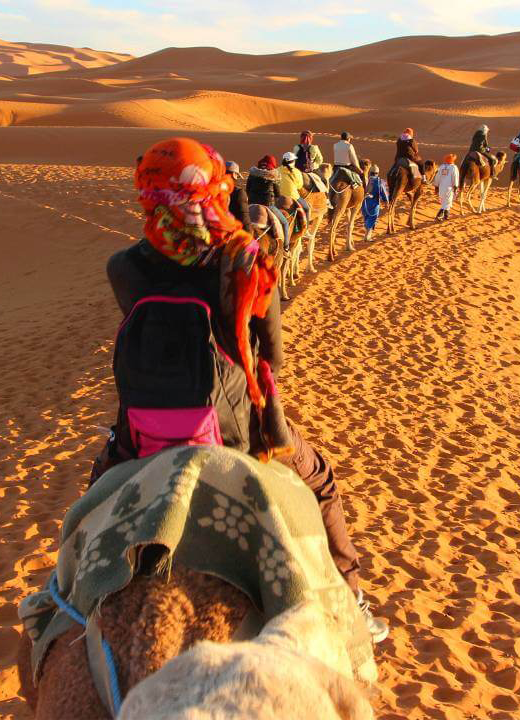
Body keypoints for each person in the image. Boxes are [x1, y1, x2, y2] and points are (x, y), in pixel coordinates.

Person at [96, 137, 387, 639]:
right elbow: (273, 357)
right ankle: (352, 600)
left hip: (142, 430)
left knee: (95, 501)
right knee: (320, 482)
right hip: (238, 428)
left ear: (148, 191)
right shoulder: (244, 258)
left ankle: (64, 604)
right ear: (213, 188)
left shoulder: (122, 267)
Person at [246, 154, 291, 251]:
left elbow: (247, 189)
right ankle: (286, 248)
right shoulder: (274, 175)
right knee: (285, 223)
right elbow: (277, 194)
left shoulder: (252, 174)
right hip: (268, 205)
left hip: (251, 203)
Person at [278, 151, 311, 227]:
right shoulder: (296, 172)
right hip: (293, 197)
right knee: (307, 209)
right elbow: (299, 186)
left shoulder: (277, 170)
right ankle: (306, 228)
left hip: (279, 196)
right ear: (293, 161)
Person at [361, 165, 388, 241]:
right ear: (377, 173)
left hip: (364, 204)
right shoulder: (379, 181)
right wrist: (386, 202)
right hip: (374, 203)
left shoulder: (365, 180)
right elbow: (383, 192)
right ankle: (367, 237)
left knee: (366, 218)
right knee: (372, 219)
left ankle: (367, 235)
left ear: (370, 172)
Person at [225, 160, 252, 233]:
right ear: (234, 175)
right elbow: (244, 218)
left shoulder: (214, 189)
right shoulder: (239, 193)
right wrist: (250, 235)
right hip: (232, 232)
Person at [433, 153, 459, 221]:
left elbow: (437, 177)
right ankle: (439, 215)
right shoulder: (454, 167)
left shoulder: (441, 166)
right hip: (449, 187)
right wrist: (456, 186)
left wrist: (436, 186)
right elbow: (455, 177)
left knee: (445, 202)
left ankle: (446, 216)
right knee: (447, 202)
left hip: (441, 187)